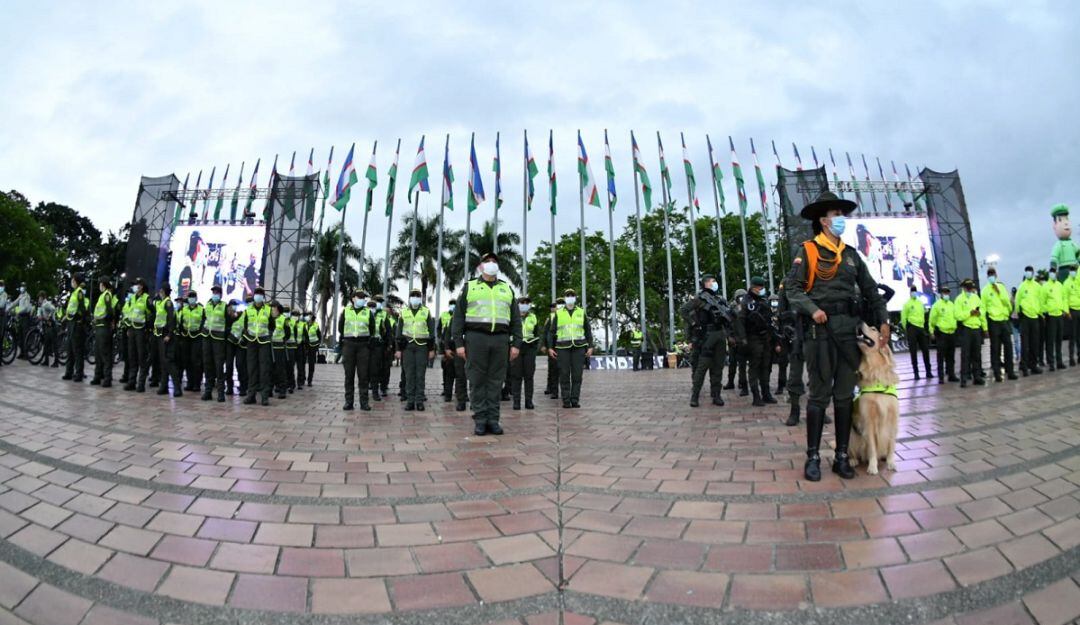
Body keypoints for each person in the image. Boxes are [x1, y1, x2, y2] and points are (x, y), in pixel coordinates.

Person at [784, 191, 888, 482]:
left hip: (848, 333)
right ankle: (813, 456)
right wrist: (812, 308)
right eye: (835, 214)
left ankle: (841, 455)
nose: (840, 219)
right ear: (823, 221)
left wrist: (883, 321)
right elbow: (792, 289)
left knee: (844, 396)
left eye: (843, 214)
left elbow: (870, 290)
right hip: (820, 333)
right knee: (818, 397)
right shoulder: (807, 251)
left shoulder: (852, 255)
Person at [451, 252, 522, 435]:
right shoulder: (470, 287)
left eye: (494, 261)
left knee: (496, 381)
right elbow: (458, 317)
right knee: (477, 380)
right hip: (476, 338)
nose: (491, 264)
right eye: (487, 261)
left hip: (500, 339)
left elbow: (515, 319)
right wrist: (459, 343)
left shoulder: (506, 289)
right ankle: (480, 419)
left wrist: (516, 344)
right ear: (481, 266)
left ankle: (493, 419)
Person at [687, 274, 732, 408]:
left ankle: (716, 395)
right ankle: (695, 396)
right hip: (707, 336)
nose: (714, 283)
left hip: (720, 334)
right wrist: (695, 324)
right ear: (705, 284)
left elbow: (728, 319)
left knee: (718, 367)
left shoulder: (720, 300)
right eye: (712, 281)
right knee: (702, 367)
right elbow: (683, 310)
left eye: (715, 281)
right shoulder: (699, 299)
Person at [738, 277, 779, 407]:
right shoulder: (745, 302)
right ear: (754, 287)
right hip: (752, 337)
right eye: (760, 288)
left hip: (765, 337)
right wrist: (743, 339)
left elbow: (771, 320)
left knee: (766, 366)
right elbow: (740, 322)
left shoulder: (764, 300)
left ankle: (766, 393)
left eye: (762, 287)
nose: (762, 290)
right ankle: (756, 396)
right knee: (755, 366)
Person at [548, 288, 592, 409]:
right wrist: (550, 348)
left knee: (577, 375)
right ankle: (566, 400)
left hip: (579, 347)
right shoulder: (559, 313)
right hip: (562, 348)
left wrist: (591, 346)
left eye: (572, 295)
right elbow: (552, 332)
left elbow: (588, 330)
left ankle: (575, 400)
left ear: (575, 297)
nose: (570, 297)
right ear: (565, 297)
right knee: (564, 374)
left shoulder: (581, 312)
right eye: (568, 295)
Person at [233, 288, 273, 405]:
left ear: (263, 297)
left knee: (264, 369)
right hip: (251, 342)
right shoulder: (248, 310)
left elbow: (272, 326)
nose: (258, 296)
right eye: (257, 294)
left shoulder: (268, 310)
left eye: (261, 294)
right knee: (252, 369)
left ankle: (264, 396)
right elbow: (245, 325)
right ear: (254, 296)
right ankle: (251, 395)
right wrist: (247, 335)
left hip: (264, 342)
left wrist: (268, 335)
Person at [396, 288, 435, 411]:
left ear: (421, 298)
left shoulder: (426, 311)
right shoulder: (403, 312)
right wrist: (398, 349)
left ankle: (419, 401)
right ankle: (410, 401)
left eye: (417, 295)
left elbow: (431, 331)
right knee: (409, 374)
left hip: (422, 346)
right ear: (409, 297)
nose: (415, 297)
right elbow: (399, 331)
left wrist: (432, 349)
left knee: (420, 374)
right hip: (407, 346)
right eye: (413, 295)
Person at [339, 289, 376, 411]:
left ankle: (364, 402)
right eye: (359, 297)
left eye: (363, 297)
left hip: (363, 345)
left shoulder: (368, 312)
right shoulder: (345, 311)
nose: (362, 299)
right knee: (349, 375)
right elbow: (341, 327)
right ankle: (348, 402)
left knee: (363, 375)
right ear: (353, 298)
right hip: (349, 344)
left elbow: (372, 328)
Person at [778, 275, 807, 426]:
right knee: (795, 375)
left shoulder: (821, 275)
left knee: (820, 375)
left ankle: (817, 409)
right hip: (797, 330)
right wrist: (785, 326)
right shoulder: (789, 280)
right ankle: (794, 411)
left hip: (817, 330)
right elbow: (782, 308)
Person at [981, 267, 1017, 382]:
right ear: (987, 276)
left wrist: (999, 292)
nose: (991, 275)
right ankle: (997, 374)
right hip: (993, 322)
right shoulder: (985, 290)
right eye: (989, 274)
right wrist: (985, 327)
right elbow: (983, 309)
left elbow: (1007, 303)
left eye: (993, 273)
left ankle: (1010, 371)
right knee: (995, 349)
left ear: (996, 275)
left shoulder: (1001, 287)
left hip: (1004, 320)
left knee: (1008, 347)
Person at [954, 278, 986, 388]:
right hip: (966, 329)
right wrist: (969, 313)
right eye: (967, 287)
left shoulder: (976, 297)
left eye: (970, 287)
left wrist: (979, 313)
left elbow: (983, 310)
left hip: (976, 328)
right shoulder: (959, 299)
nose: (969, 290)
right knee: (965, 355)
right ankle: (964, 378)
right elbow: (957, 315)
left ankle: (977, 376)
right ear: (963, 287)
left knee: (976, 354)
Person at [121, 278, 152, 392]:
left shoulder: (146, 298)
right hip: (132, 329)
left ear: (141, 286)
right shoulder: (132, 298)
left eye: (137, 285)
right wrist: (129, 327)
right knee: (132, 356)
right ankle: (131, 382)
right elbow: (129, 313)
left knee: (141, 357)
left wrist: (147, 328)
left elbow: (151, 314)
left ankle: (141, 383)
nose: (135, 287)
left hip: (141, 330)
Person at [152, 284, 182, 397]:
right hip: (160, 334)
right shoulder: (162, 302)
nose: (159, 292)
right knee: (163, 362)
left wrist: (169, 334)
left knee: (169, 361)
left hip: (166, 335)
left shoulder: (168, 303)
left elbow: (171, 320)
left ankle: (177, 388)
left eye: (160, 290)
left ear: (163, 291)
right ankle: (163, 386)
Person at [510, 296, 540, 410]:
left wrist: (535, 347)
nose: (525, 304)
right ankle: (516, 402)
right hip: (516, 347)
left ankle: (529, 401)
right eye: (522, 302)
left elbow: (537, 333)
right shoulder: (512, 317)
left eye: (527, 303)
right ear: (518, 304)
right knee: (516, 376)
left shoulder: (533, 317)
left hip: (529, 347)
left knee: (529, 375)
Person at [200, 285, 229, 401]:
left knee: (219, 366)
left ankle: (221, 393)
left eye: (217, 292)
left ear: (220, 295)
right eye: (213, 292)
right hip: (207, 337)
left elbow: (228, 323)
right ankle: (208, 391)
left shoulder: (224, 306)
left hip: (219, 339)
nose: (214, 294)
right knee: (207, 364)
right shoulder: (207, 304)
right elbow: (204, 319)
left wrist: (224, 336)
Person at [88, 277, 116, 387]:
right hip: (99, 326)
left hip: (104, 327)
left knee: (105, 354)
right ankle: (97, 376)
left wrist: (107, 321)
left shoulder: (107, 295)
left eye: (100, 284)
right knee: (98, 353)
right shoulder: (102, 295)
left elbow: (110, 311)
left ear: (103, 284)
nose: (99, 286)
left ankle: (107, 378)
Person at [1014, 267, 1043, 375]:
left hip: (1035, 317)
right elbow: (1017, 301)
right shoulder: (1022, 286)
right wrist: (1019, 311)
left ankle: (1033, 365)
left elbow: (1041, 300)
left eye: (1030, 271)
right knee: (1025, 344)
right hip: (1025, 318)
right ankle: (1024, 366)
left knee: (1034, 343)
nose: (1028, 273)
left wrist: (1041, 314)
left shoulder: (1037, 286)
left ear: (1033, 273)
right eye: (1026, 271)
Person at [900, 286, 933, 380]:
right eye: (912, 291)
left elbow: (924, 314)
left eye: (915, 291)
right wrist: (907, 328)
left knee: (925, 350)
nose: (914, 293)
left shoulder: (920, 303)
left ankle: (928, 371)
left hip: (921, 328)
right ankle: (916, 373)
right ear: (910, 293)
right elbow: (903, 317)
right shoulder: (907, 304)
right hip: (912, 328)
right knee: (913, 351)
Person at [62, 274, 89, 382]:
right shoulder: (74, 293)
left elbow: (83, 308)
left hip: (77, 325)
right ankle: (69, 372)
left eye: (73, 280)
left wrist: (81, 319)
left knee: (77, 350)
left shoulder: (79, 293)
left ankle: (79, 373)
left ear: (76, 281)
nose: (71, 282)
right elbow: (71, 308)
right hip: (71, 323)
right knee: (70, 349)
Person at [929, 286, 959, 384]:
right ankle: (941, 377)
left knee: (951, 356)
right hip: (942, 333)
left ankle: (951, 375)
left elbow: (956, 316)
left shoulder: (952, 304)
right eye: (945, 293)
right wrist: (931, 331)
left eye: (947, 293)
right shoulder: (937, 305)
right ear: (941, 294)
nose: (946, 294)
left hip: (951, 333)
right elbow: (932, 320)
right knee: (941, 356)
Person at [177, 291, 205, 392]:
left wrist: (200, 332)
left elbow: (204, 323)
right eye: (190, 297)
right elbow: (180, 323)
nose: (191, 299)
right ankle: (190, 382)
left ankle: (197, 384)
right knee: (187, 360)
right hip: (186, 337)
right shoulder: (183, 309)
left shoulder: (202, 309)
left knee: (196, 361)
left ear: (196, 298)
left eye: (193, 297)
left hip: (197, 337)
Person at [1040, 268, 1067, 370]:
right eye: (1051, 273)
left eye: (1054, 273)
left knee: (1059, 339)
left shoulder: (1060, 285)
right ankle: (1051, 363)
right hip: (1050, 316)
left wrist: (1064, 309)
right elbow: (1042, 302)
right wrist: (1046, 312)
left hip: (1060, 315)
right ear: (1049, 275)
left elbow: (1064, 298)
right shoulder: (1045, 286)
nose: (1053, 275)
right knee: (1050, 340)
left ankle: (1059, 362)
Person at [724, 289, 749, 396]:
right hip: (733, 339)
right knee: (732, 362)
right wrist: (729, 336)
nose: (741, 299)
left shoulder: (748, 308)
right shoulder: (730, 309)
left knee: (742, 364)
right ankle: (730, 382)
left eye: (743, 297)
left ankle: (743, 384)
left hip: (743, 339)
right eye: (740, 297)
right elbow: (726, 325)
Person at [224, 299, 247, 396]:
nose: (233, 308)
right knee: (229, 365)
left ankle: (243, 388)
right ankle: (229, 387)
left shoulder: (242, 314)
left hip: (240, 344)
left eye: (235, 306)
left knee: (240, 365)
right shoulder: (226, 316)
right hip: (229, 343)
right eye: (231, 306)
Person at [369, 297, 389, 401]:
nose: (378, 304)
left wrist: (388, 345)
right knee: (364, 370)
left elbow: (388, 331)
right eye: (377, 302)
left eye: (380, 302)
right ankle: (364, 391)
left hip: (377, 344)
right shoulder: (365, 312)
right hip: (365, 344)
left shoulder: (384, 314)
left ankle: (375, 392)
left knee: (375, 369)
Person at [543, 300, 562, 397]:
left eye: (555, 306)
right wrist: (545, 345)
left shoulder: (564, 315)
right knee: (552, 368)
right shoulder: (550, 317)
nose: (553, 308)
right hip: (553, 344)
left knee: (562, 369)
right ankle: (551, 388)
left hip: (563, 343)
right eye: (552, 307)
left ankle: (563, 390)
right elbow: (546, 332)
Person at [438, 302, 455, 401]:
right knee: (447, 369)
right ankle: (446, 390)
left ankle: (459, 391)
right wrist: (441, 339)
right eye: (451, 304)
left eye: (454, 304)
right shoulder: (444, 315)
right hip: (446, 345)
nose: (453, 305)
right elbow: (439, 329)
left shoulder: (462, 316)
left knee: (460, 371)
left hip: (458, 347)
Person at [35, 293, 57, 368]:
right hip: (46, 326)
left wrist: (49, 317)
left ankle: (56, 362)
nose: (38, 299)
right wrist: (39, 316)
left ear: (43, 297)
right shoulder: (41, 305)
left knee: (54, 344)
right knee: (46, 344)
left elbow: (53, 309)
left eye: (39, 298)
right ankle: (46, 361)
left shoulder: (46, 304)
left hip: (52, 326)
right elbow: (39, 314)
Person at [300, 310, 320, 388]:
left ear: (312, 316)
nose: (307, 316)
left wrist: (317, 346)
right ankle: (302, 378)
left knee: (311, 364)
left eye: (309, 315)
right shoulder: (303, 324)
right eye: (306, 315)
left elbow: (319, 336)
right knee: (302, 363)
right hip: (304, 346)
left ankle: (309, 380)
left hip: (313, 347)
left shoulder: (316, 325)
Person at [14, 284, 32, 359]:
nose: (22, 287)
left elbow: (26, 308)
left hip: (25, 317)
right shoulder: (20, 295)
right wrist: (8, 308)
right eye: (21, 286)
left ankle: (26, 353)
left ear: (25, 288)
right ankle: (21, 352)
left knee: (25, 335)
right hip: (21, 318)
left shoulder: (27, 296)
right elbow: (15, 302)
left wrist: (18, 311)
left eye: (23, 286)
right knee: (20, 335)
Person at [1066, 267, 1080, 366]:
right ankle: (1071, 358)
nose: (1073, 272)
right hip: (1072, 311)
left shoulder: (1078, 282)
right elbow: (1065, 298)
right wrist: (1067, 312)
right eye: (1072, 271)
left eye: (1074, 271)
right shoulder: (1066, 283)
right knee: (1072, 336)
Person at [283, 306, 298, 393]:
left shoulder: (293, 321)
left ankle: (291, 385)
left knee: (290, 367)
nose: (286, 312)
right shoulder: (280, 319)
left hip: (291, 347)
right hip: (282, 347)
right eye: (285, 311)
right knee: (282, 367)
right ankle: (284, 385)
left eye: (287, 311)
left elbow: (295, 334)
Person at [0, 281, 7, 368]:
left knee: (0, 337)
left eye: (1, 285)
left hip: (1, 317)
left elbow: (1, 304)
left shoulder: (4, 294)